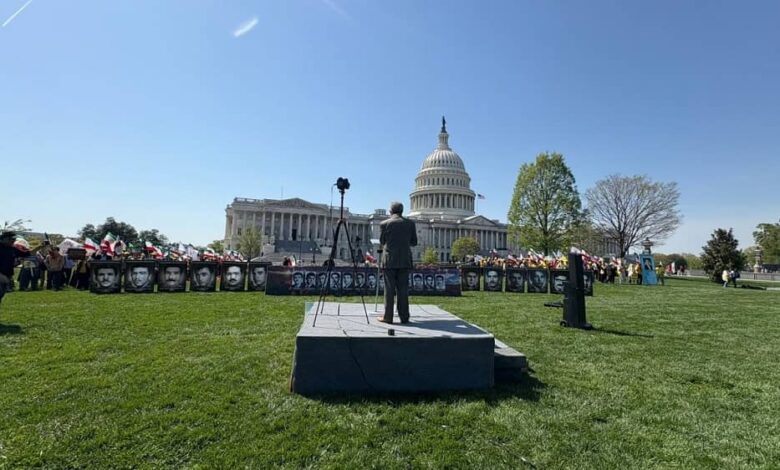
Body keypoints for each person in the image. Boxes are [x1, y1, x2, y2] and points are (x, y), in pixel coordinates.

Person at [378, 201, 417, 324]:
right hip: (405, 260)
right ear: (402, 211)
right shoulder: (410, 224)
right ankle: (404, 317)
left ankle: (388, 317)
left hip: (389, 261)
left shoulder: (385, 224)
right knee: (403, 290)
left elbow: (382, 241)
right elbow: (414, 242)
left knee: (389, 290)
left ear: (390, 211)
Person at [1, 231, 27, 314]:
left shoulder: (13, 249)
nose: (14, 241)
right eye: (12, 239)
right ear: (4, 239)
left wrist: (41, 246)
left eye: (14, 239)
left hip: (7, 276)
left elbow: (27, 254)